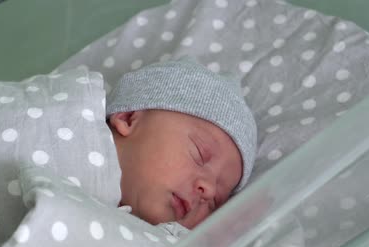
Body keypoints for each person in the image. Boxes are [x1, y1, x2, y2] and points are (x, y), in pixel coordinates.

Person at [106, 57, 258, 229]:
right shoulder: (74, 124)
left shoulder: (161, 246)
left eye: (215, 202)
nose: (208, 190)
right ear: (129, 118)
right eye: (199, 154)